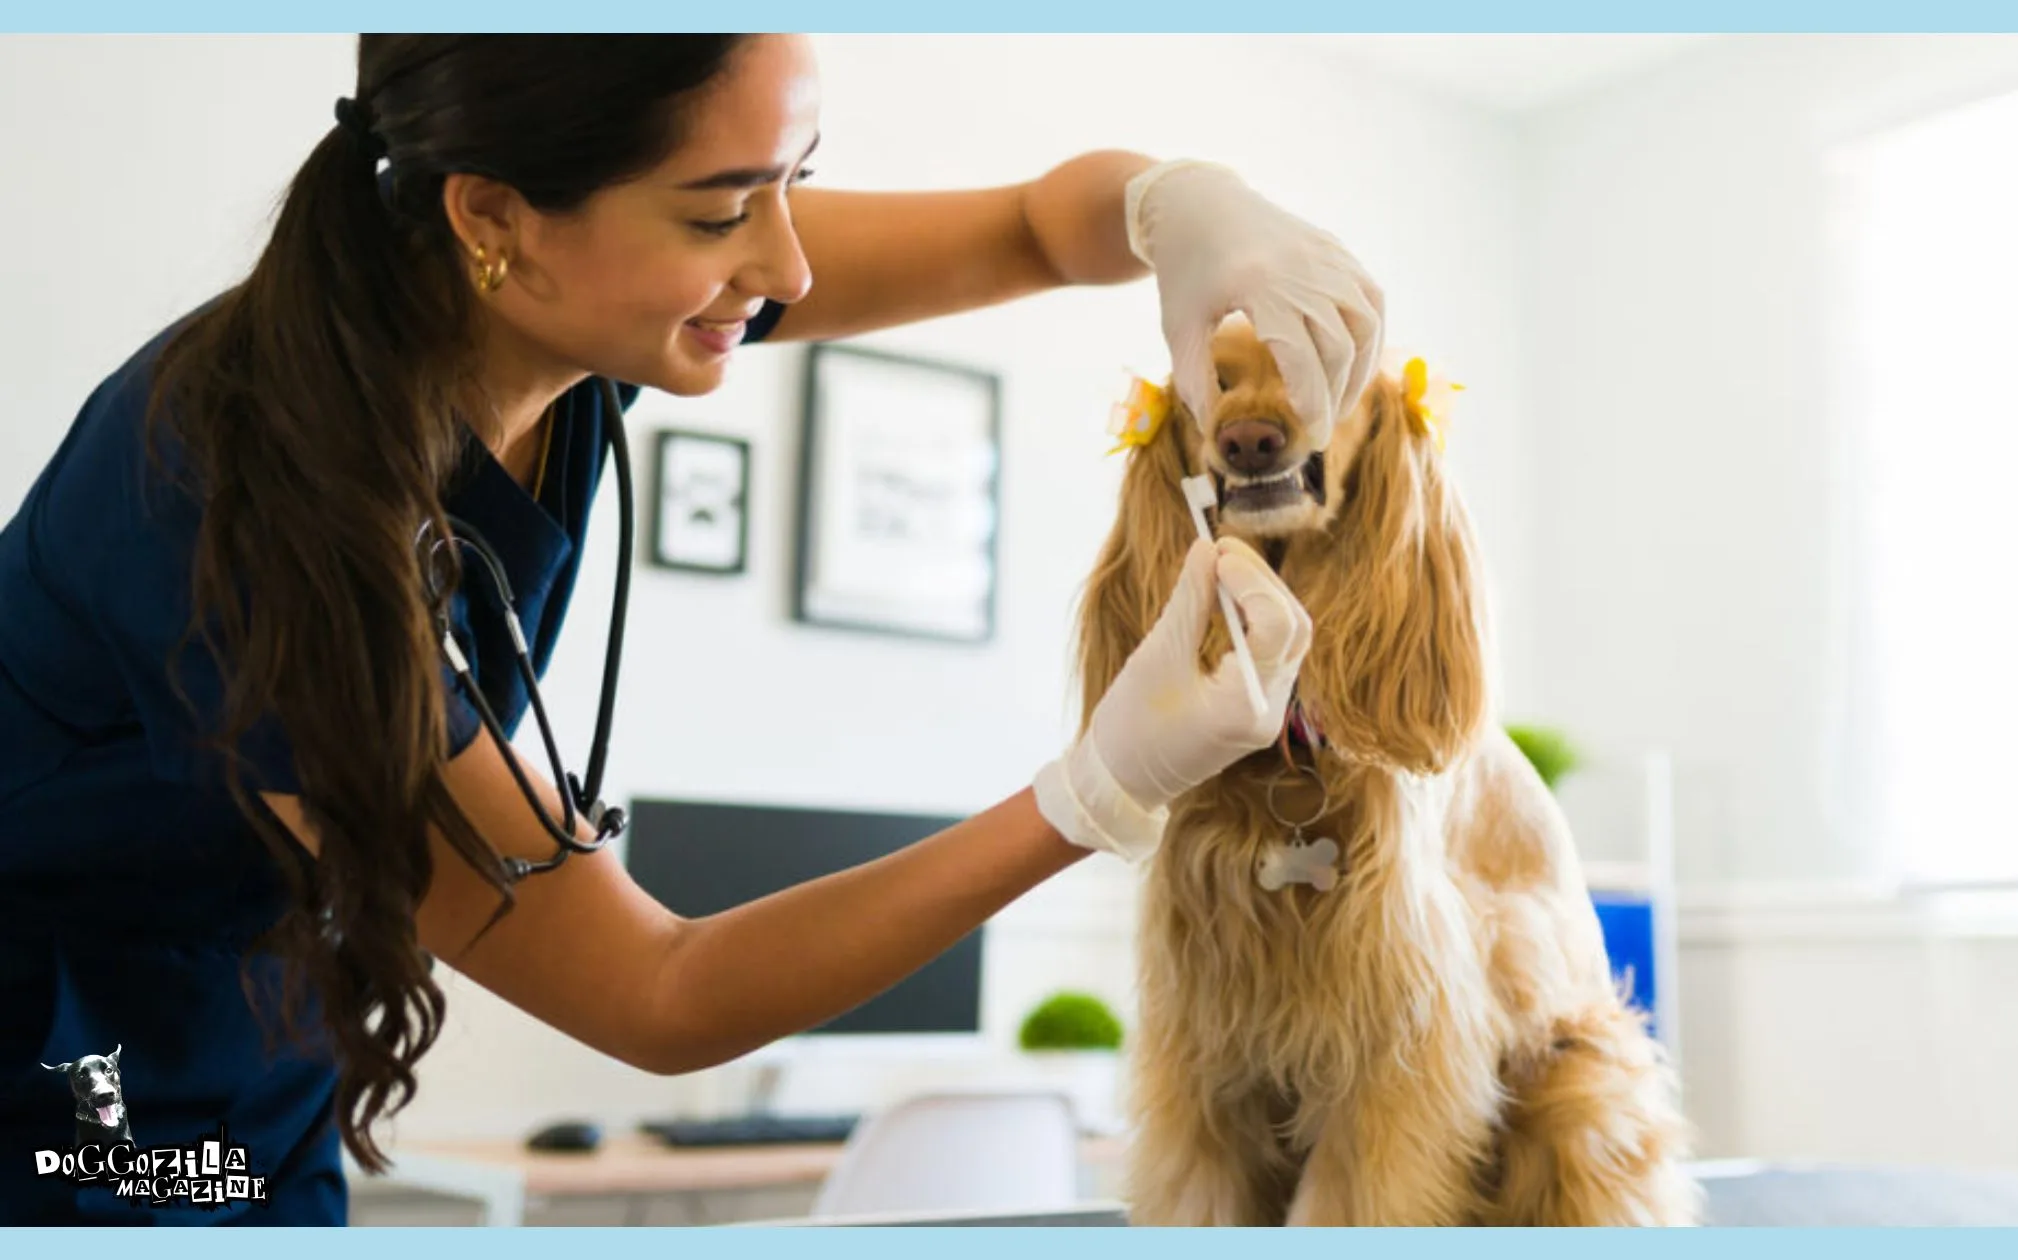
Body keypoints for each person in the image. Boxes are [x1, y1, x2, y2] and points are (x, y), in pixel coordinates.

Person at [0, 34, 1384, 1224]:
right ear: (495, 214)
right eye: (725, 211)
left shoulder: (560, 305)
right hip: (56, 1078)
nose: (783, 258)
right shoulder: (238, 509)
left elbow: (1035, 224)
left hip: (263, 1051)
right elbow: (660, 991)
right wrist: (1094, 791)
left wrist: (1185, 208)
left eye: (799, 176)